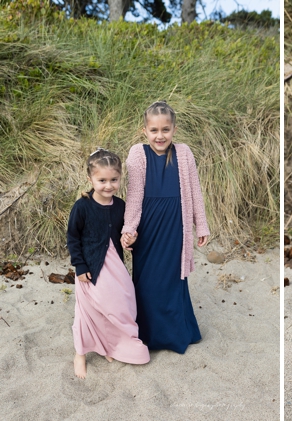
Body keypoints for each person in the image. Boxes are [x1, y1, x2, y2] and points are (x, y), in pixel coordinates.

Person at [121, 100, 209, 354]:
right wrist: (129, 228)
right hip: (148, 228)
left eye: (165, 130)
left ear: (174, 129)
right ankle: (149, 334)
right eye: (154, 130)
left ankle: (175, 334)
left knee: (172, 279)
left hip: (174, 227)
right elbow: (135, 195)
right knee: (147, 281)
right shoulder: (138, 154)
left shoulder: (183, 153)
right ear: (144, 131)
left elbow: (194, 191)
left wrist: (200, 225)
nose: (160, 136)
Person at [67, 148, 150, 378]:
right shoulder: (82, 207)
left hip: (115, 265)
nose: (108, 185)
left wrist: (129, 238)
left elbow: (125, 233)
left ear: (120, 178)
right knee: (88, 311)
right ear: (90, 179)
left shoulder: (121, 205)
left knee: (121, 304)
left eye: (113, 180)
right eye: (101, 180)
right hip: (91, 268)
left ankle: (108, 345)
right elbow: (73, 238)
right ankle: (80, 354)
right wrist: (80, 266)